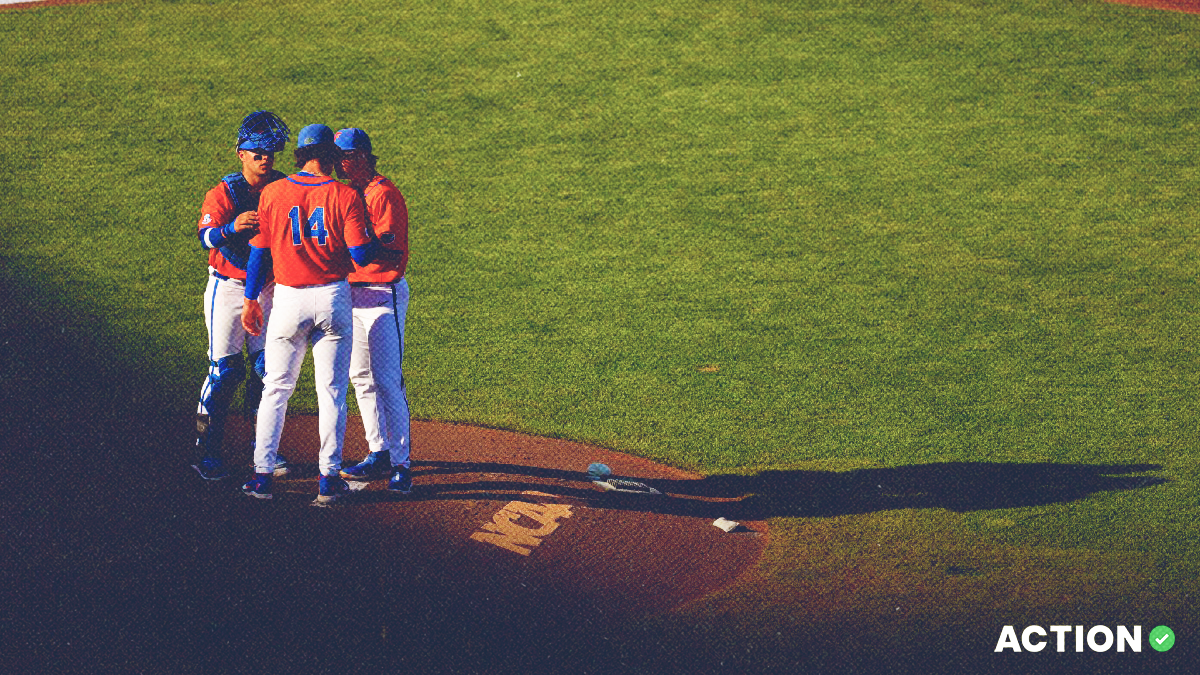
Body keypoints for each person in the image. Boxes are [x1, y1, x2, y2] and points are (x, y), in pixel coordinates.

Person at [240, 123, 382, 505]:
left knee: (275, 389)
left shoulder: (273, 192)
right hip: (332, 298)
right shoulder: (345, 195)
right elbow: (361, 256)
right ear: (332, 158)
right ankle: (328, 481)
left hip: (287, 299)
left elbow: (259, 252)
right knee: (332, 393)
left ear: (301, 156)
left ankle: (262, 477)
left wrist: (251, 299)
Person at [192, 110, 291, 480]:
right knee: (224, 372)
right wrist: (232, 226)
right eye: (257, 153)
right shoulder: (225, 192)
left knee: (268, 371)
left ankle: (263, 450)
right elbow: (204, 237)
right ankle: (206, 451)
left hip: (268, 288)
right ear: (241, 154)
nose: (264, 160)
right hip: (228, 288)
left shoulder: (282, 187)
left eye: (269, 154)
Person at [332, 128, 414, 494]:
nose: (343, 163)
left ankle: (402, 464)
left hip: (383, 295)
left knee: (387, 380)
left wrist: (350, 246)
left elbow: (389, 251)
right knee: (360, 377)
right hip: (351, 296)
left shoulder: (383, 194)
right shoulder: (343, 194)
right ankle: (378, 450)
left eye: (348, 156)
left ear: (365, 156)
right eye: (339, 157)